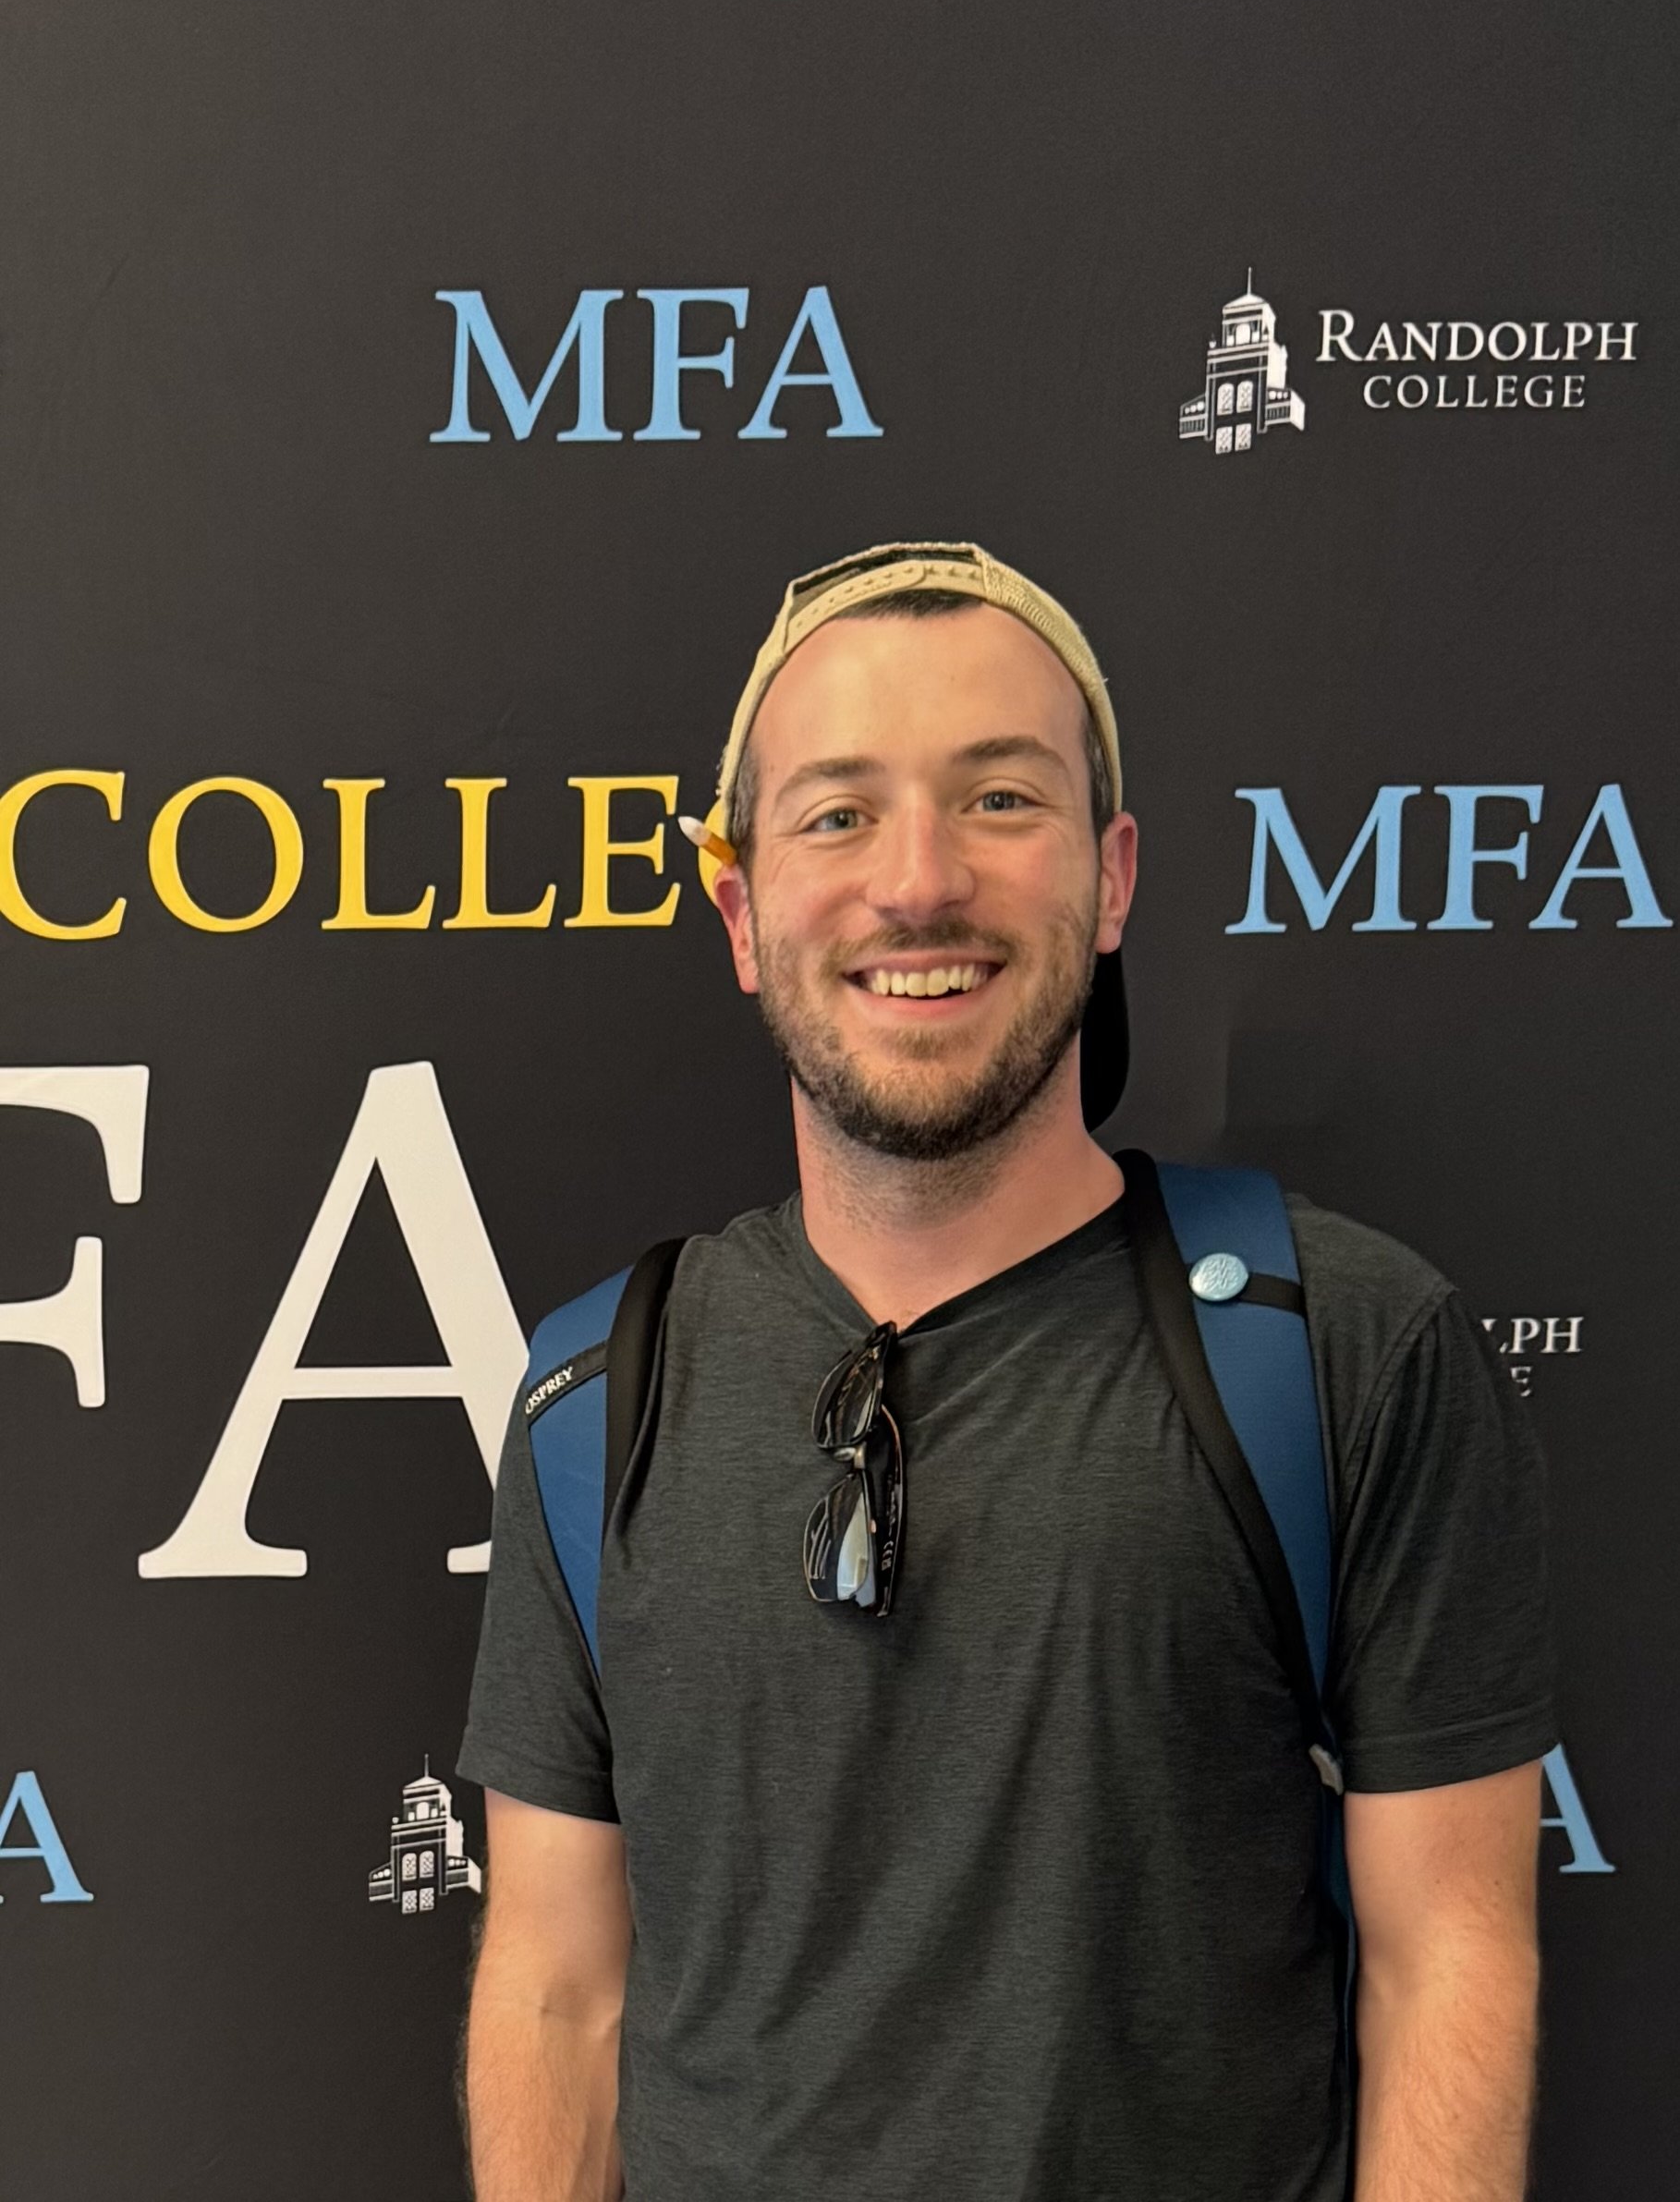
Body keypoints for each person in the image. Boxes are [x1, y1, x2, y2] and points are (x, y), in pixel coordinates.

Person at [456, 541, 1559, 2202]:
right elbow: (557, 1990)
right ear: (742, 913)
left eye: (998, 799)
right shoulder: (597, 1388)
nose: (917, 883)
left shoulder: (1342, 1344)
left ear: (1110, 882)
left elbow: (1445, 1960)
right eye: (837, 813)